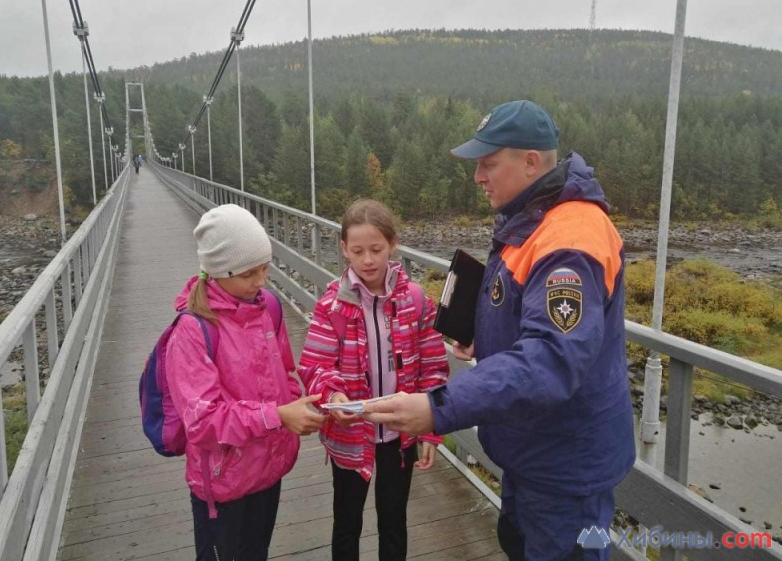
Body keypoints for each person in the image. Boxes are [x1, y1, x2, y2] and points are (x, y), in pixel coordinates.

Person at [365, 101, 636, 561]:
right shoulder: (531, 217)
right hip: (532, 450)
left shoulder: (571, 239)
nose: (477, 178)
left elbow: (550, 360)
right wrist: (485, 336)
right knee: (516, 543)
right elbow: (527, 317)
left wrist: (437, 408)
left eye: (488, 164)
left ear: (531, 161)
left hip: (564, 466)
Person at [165, 204, 326, 561]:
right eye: (249, 273)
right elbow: (203, 423)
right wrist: (278, 416)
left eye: (265, 268)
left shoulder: (266, 306)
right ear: (217, 271)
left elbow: (285, 371)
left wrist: (297, 405)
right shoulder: (193, 331)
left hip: (268, 470)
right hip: (223, 484)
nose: (261, 281)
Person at [297, 199, 450, 561]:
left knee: (394, 521)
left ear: (393, 244)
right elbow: (314, 364)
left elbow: (433, 366)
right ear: (344, 250)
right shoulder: (332, 305)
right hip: (350, 434)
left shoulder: (415, 300)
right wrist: (332, 397)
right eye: (358, 251)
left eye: (376, 249)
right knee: (346, 522)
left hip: (400, 432)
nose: (367, 260)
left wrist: (431, 428)